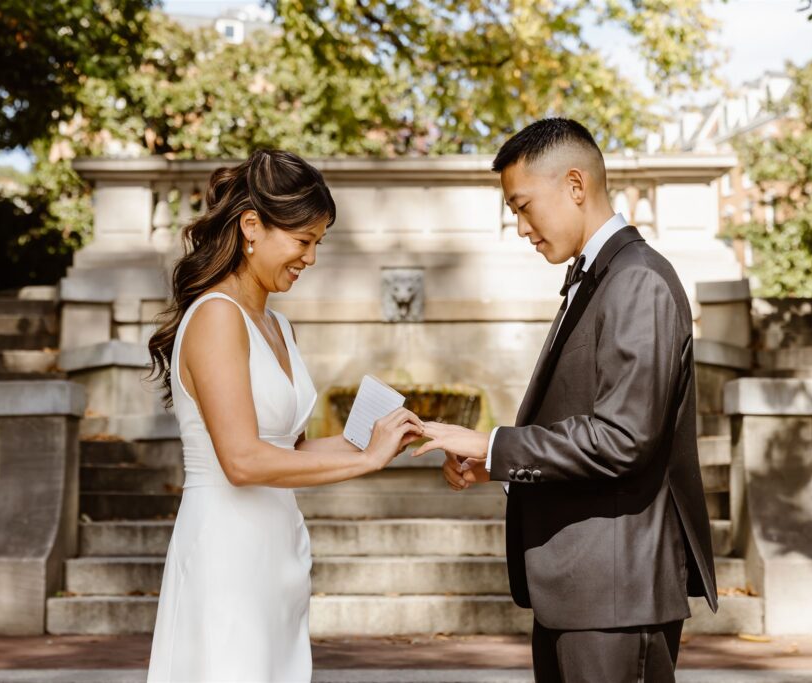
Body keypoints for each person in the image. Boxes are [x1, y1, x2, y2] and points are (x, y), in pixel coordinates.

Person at [414, 118, 718, 683]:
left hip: (615, 593)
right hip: (584, 592)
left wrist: (495, 443)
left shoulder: (638, 281)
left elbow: (624, 439)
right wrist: (496, 466)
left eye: (524, 206)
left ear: (575, 185)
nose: (521, 227)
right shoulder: (598, 276)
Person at [145, 149, 423, 682]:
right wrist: (364, 464)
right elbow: (244, 462)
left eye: (318, 242)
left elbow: (287, 452)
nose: (311, 258)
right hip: (226, 553)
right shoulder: (216, 317)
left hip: (278, 550)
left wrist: (381, 435)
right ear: (252, 226)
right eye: (303, 241)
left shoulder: (278, 326)